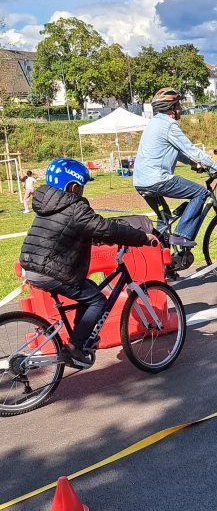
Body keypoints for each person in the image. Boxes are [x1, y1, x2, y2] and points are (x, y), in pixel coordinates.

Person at [19, 158, 154, 369]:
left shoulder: (48, 203)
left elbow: (66, 231)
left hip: (32, 265)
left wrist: (95, 237)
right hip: (51, 270)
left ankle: (80, 341)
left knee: (88, 289)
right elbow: (105, 228)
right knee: (98, 300)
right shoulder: (74, 206)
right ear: (73, 187)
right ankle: (74, 348)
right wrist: (141, 238)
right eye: (81, 187)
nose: (82, 191)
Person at [133, 87, 217, 244]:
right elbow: (191, 149)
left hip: (141, 182)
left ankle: (163, 262)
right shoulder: (169, 125)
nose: (181, 109)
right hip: (158, 180)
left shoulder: (153, 123)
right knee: (200, 193)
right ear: (171, 108)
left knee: (164, 218)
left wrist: (192, 163)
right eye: (179, 105)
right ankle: (181, 235)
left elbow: (175, 151)